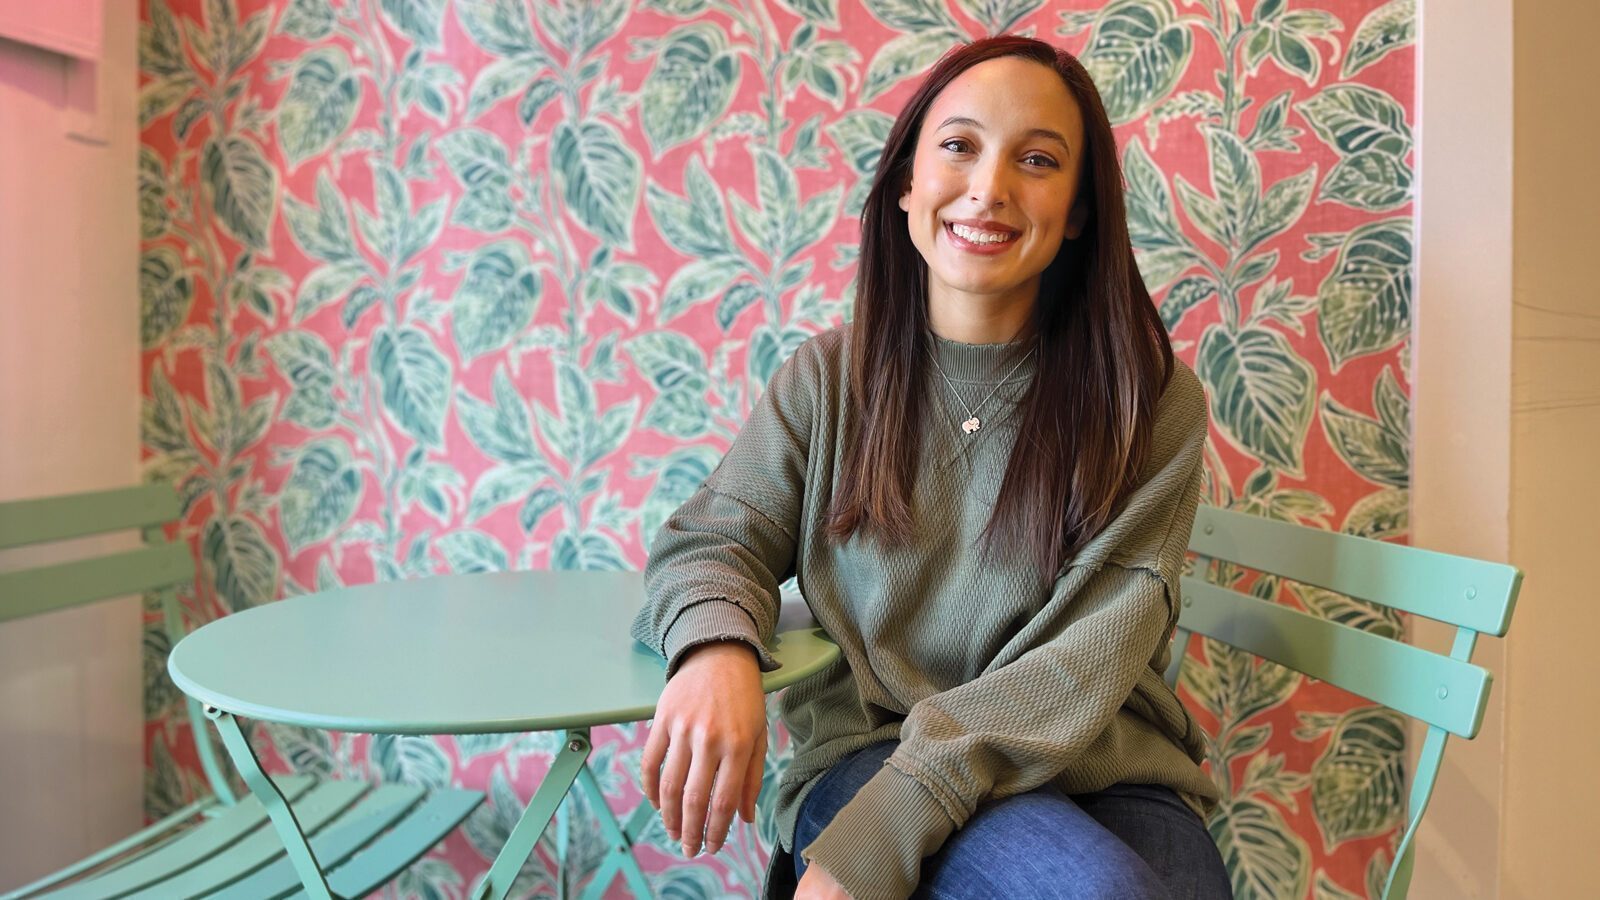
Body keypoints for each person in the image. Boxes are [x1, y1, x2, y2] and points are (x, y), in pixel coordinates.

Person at [629, 34, 1233, 900]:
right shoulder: (827, 383)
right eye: (959, 146)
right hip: (872, 755)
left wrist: (885, 828)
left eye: (1036, 159)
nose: (989, 187)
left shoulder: (1151, 404)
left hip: (1108, 766)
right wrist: (715, 648)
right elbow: (712, 538)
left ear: (1079, 211)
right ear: (908, 182)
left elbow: (1083, 661)